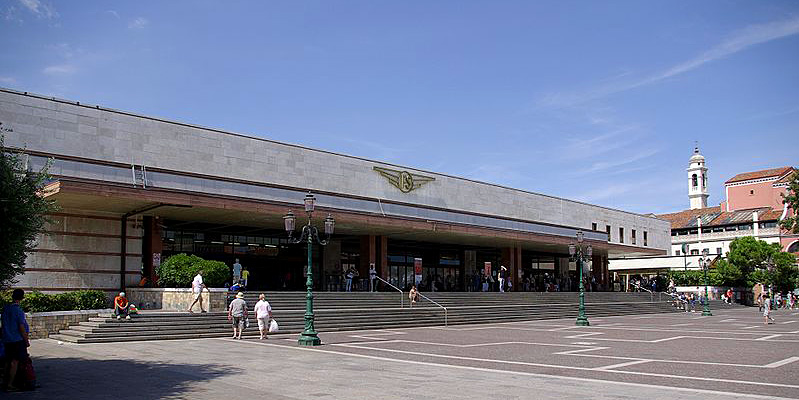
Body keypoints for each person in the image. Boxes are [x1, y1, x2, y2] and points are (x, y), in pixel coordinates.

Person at [1, 289, 30, 392]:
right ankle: (10, 384)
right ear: (21, 298)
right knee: (15, 362)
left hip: (6, 339)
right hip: (16, 339)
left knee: (7, 361)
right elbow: (21, 328)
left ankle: (5, 382)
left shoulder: (5, 309)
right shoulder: (18, 311)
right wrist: (26, 340)